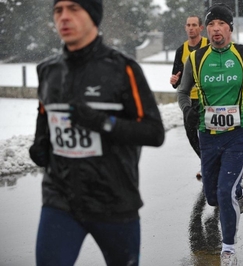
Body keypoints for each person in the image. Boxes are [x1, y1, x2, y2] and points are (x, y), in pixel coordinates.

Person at [29, 1, 165, 265]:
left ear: (93, 16)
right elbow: (44, 118)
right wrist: (40, 144)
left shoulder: (122, 68)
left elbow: (153, 132)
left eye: (73, 8)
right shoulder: (48, 70)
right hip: (60, 199)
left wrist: (101, 122)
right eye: (58, 10)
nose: (64, 17)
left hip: (113, 200)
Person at [177, 3, 243, 265]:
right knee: (212, 197)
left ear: (230, 28)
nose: (215, 29)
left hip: (239, 133)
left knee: (224, 192)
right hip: (208, 136)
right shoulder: (197, 58)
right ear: (206, 29)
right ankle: (241, 189)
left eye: (221, 24)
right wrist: (187, 109)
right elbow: (182, 91)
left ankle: (229, 249)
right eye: (211, 24)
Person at [170, 15, 209, 180]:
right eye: (188, 25)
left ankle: (211, 163)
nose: (191, 28)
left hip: (208, 98)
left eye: (194, 25)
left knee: (208, 132)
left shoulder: (209, 45)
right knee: (191, 134)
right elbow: (176, 79)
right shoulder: (181, 50)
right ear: (185, 28)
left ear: (201, 28)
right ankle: (206, 163)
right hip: (189, 99)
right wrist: (173, 81)